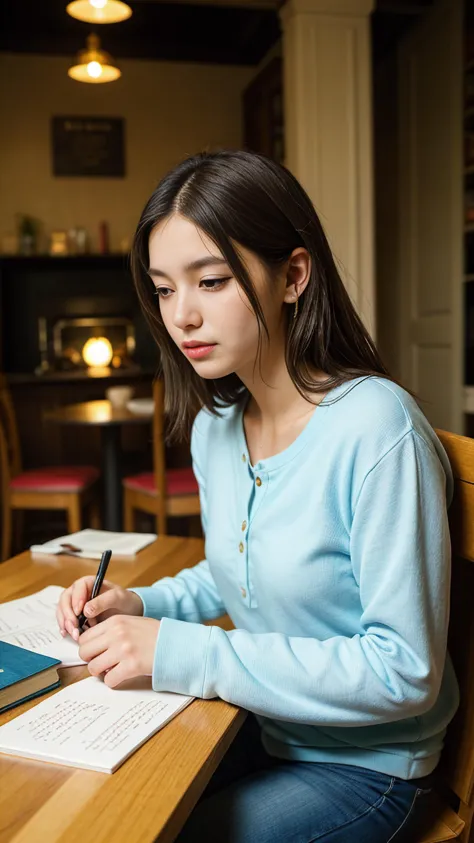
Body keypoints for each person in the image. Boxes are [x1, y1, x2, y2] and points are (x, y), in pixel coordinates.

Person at [57, 149, 460, 843]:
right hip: (263, 724)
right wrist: (139, 603)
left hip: (369, 768)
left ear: (293, 276)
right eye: (162, 288)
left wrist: (187, 652)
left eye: (210, 280)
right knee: (101, 810)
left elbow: (406, 670)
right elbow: (239, 571)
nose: (181, 315)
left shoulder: (377, 428)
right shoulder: (218, 425)